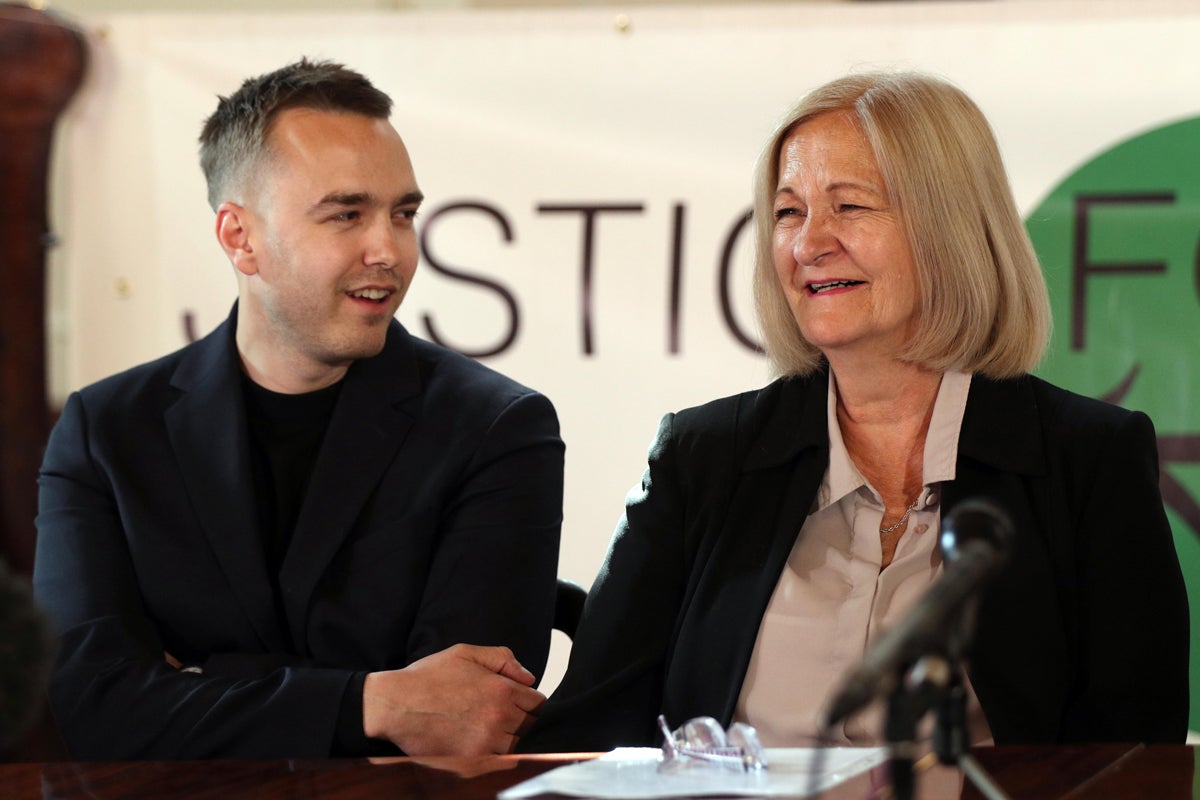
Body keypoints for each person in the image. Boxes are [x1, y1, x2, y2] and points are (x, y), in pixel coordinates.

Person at [520, 71, 1188, 752]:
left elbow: (1131, 761)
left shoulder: (1086, 460)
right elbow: (589, 734)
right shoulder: (704, 457)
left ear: (948, 229)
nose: (809, 243)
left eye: (850, 207)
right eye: (788, 212)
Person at [33, 58, 564, 760]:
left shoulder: (497, 428)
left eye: (402, 214)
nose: (391, 250)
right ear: (239, 237)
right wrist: (373, 699)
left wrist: (194, 684)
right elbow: (88, 708)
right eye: (346, 214)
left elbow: (465, 715)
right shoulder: (107, 430)